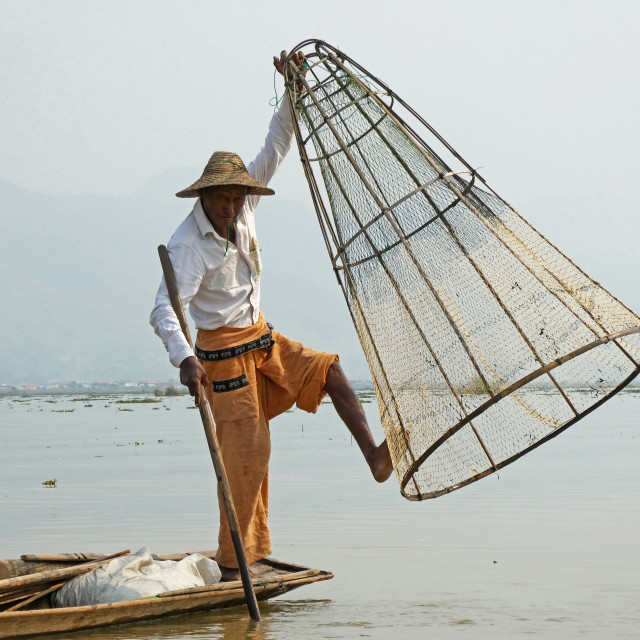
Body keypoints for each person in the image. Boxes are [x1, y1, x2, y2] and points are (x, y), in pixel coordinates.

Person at [150, 51, 393, 582]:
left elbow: (276, 144)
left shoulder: (246, 210)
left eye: (237, 197)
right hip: (223, 362)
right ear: (206, 196)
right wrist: (186, 359)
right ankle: (236, 566)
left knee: (328, 369)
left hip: (262, 340)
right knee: (246, 463)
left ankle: (374, 455)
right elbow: (165, 309)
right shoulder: (188, 245)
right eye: (221, 198)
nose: (230, 206)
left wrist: (293, 89)